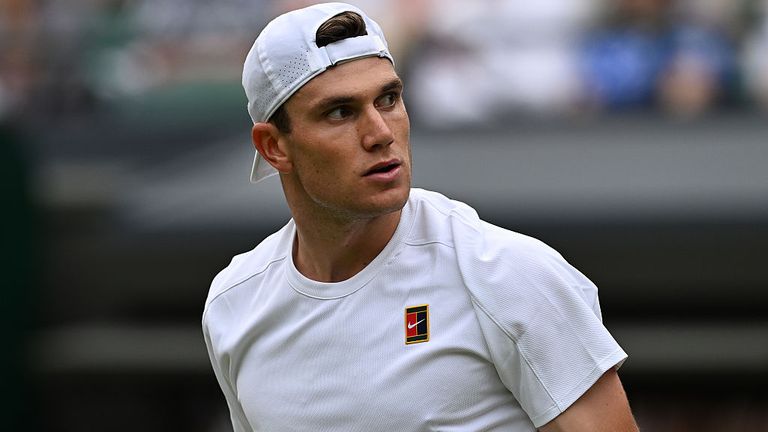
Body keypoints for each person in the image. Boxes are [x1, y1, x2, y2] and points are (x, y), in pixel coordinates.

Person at [202, 3, 639, 431]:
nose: (380, 133)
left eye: (389, 99)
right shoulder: (232, 305)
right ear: (274, 146)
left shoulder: (509, 274)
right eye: (340, 112)